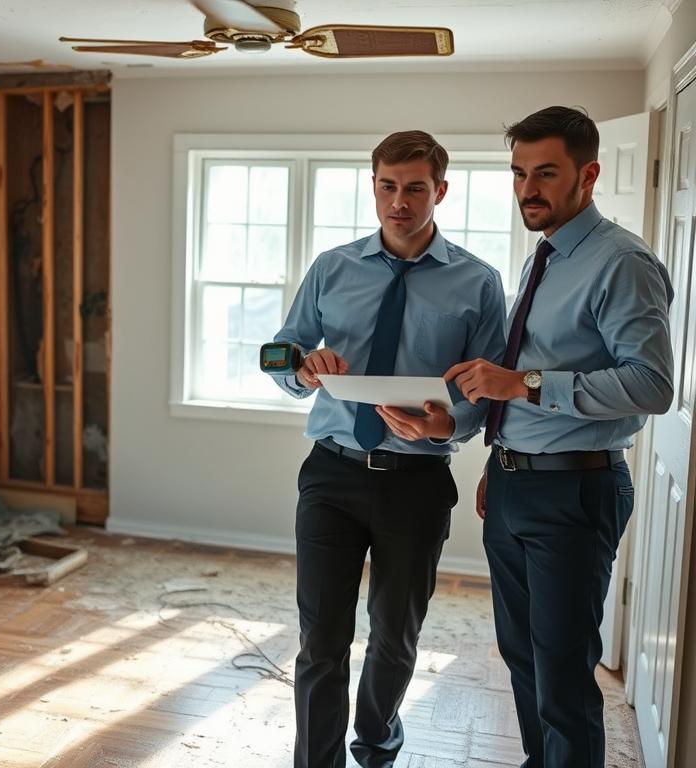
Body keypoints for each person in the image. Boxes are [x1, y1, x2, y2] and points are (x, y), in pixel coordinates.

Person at [267, 130, 507, 768]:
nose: (400, 202)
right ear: (373, 185)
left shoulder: (479, 283)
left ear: (441, 191)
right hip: (331, 475)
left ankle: (375, 747)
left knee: (396, 638)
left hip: (416, 483)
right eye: (388, 186)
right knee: (321, 638)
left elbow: (488, 394)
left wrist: (444, 427)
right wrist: (304, 367)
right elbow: (279, 352)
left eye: (415, 188)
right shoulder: (332, 267)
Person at [445, 106, 674, 767]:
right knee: (523, 658)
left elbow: (651, 386)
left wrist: (521, 386)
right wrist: (501, 456)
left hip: (576, 491)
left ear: (589, 174)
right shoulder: (543, 258)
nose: (527, 189)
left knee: (565, 674)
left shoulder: (620, 262)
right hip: (518, 484)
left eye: (546, 173)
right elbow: (531, 365)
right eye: (519, 173)